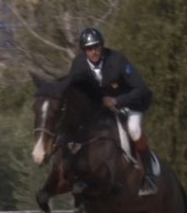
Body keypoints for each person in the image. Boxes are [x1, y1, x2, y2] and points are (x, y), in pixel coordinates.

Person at [66, 27, 157, 196]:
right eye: (89, 49)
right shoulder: (79, 65)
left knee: (134, 130)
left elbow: (141, 88)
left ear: (102, 46)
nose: (94, 52)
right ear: (84, 51)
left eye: (97, 47)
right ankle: (80, 175)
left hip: (131, 103)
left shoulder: (117, 60)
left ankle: (149, 175)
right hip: (102, 108)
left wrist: (117, 100)